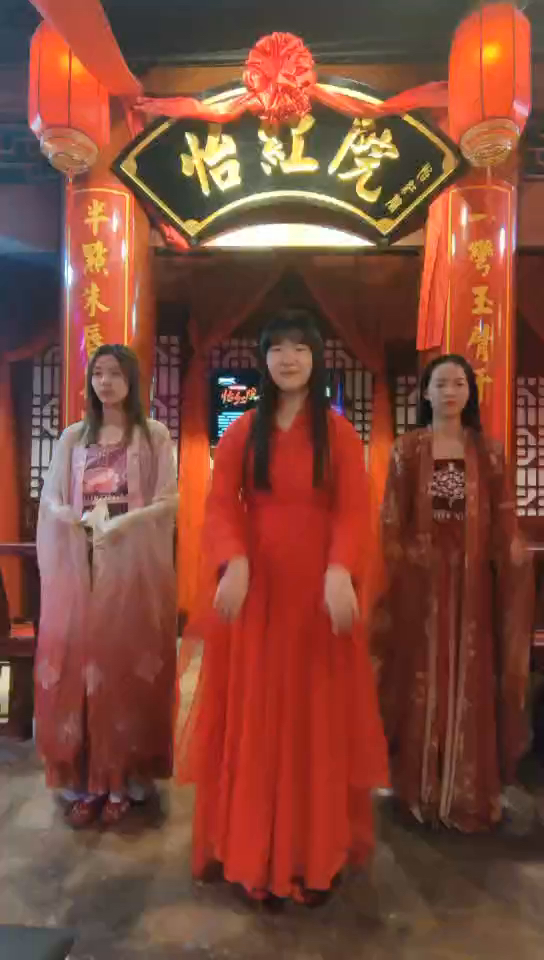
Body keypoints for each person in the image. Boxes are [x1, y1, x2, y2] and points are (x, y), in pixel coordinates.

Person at [177, 309, 388, 905]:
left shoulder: (338, 432)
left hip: (318, 593)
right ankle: (254, 853)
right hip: (259, 592)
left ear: (315, 358)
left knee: (315, 718)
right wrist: (234, 561)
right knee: (257, 715)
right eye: (277, 349)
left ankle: (311, 854)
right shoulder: (245, 429)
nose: (288, 358)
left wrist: (341, 570)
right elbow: (221, 504)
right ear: (264, 360)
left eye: (299, 348)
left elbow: (353, 510)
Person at [371, 354, 533, 832]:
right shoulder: (407, 450)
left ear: (470, 393)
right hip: (420, 584)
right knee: (420, 676)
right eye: (440, 384)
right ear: (425, 393)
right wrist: (407, 562)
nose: (449, 392)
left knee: (471, 677)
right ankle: (418, 788)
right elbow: (391, 518)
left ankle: (467, 792)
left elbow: (504, 519)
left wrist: (513, 554)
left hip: (474, 584)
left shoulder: (490, 453)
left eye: (458, 383)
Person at [35, 345, 178, 828]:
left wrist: (123, 523)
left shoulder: (152, 435)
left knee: (124, 666)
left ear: (131, 381)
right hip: (82, 565)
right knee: (79, 667)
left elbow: (169, 500)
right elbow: (51, 496)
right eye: (98, 374)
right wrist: (68, 517)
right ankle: (86, 782)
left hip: (132, 566)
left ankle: (121, 780)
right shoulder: (73, 437)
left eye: (115, 373)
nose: (106, 382)